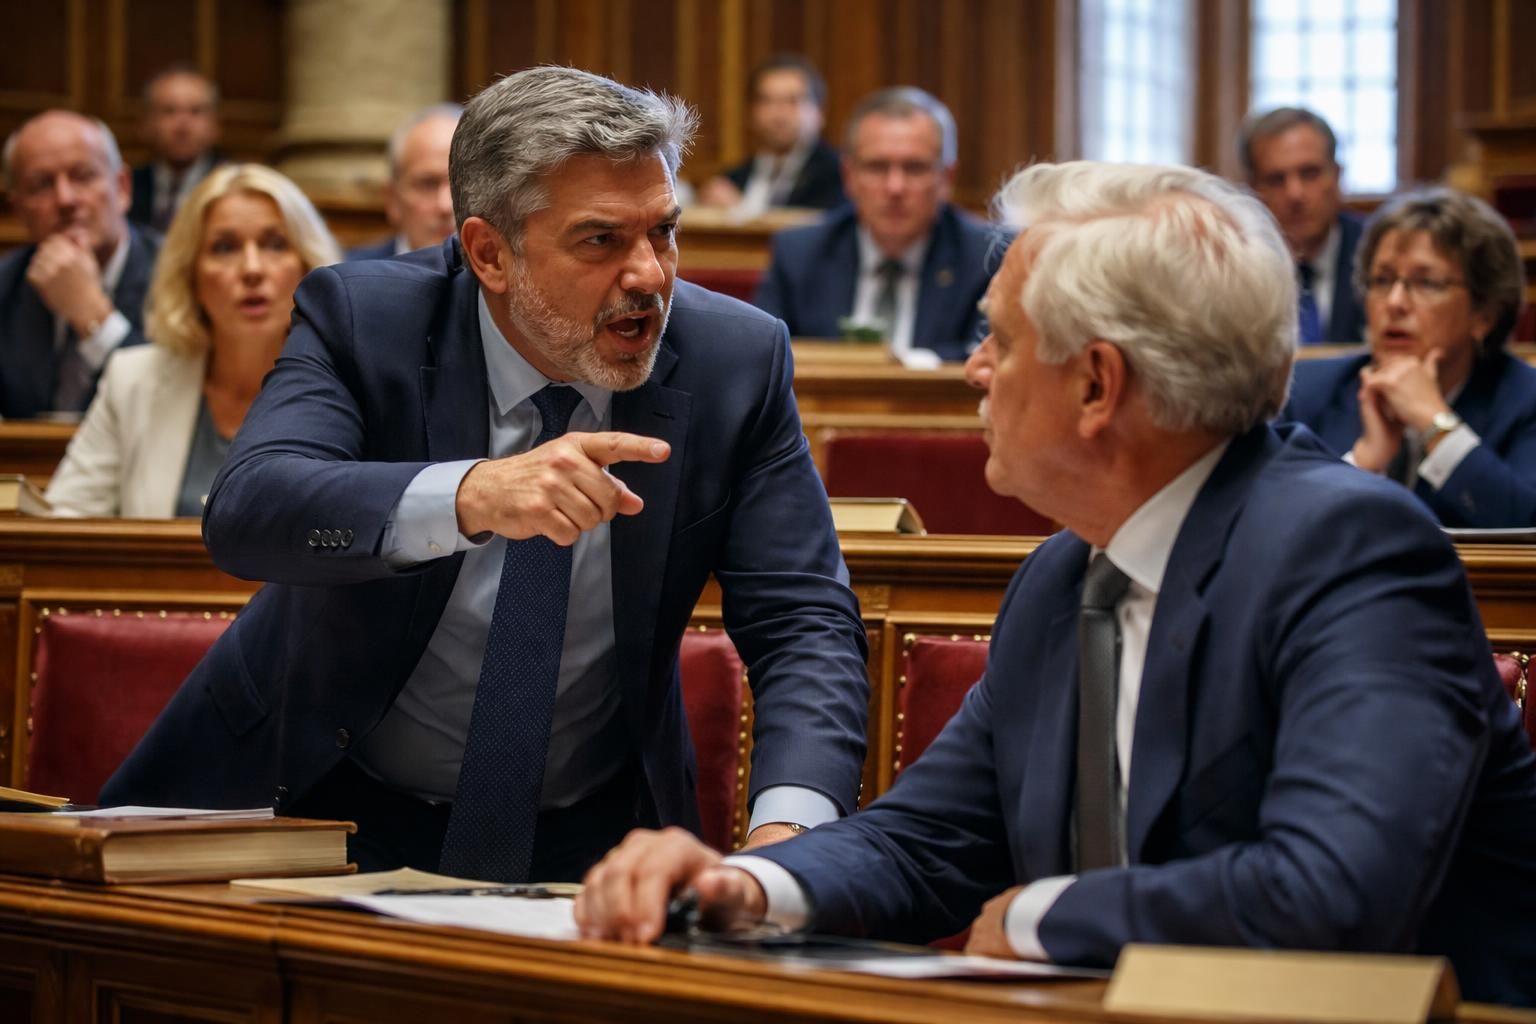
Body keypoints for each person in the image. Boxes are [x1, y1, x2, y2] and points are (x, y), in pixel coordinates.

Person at [575, 161, 1536, 1009]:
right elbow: (924, 841)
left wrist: (1042, 914)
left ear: (1096, 386)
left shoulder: (1355, 553)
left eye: (998, 336)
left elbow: (1329, 895)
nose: (974, 370)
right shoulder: (1065, 571)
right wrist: (747, 887)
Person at [101, 67, 870, 886]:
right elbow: (250, 508)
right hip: (317, 799)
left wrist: (791, 829)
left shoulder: (733, 362)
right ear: (489, 253)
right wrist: (468, 494)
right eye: (601, 240)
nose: (649, 274)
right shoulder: (368, 321)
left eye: (664, 231)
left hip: (597, 833)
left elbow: (805, 622)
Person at [45, 164, 340, 518]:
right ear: (191, 274)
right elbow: (65, 521)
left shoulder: (348, 386)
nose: (252, 269)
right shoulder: (133, 380)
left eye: (274, 244)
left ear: (308, 266)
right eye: (225, 247)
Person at [1284, 188, 1532, 528]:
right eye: (1382, 280)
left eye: (1427, 283)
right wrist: (1363, 463)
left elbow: (1525, 523)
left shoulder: (1525, 401)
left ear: (1484, 314)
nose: (1395, 302)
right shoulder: (1306, 393)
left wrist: (1436, 424)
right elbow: (1273, 526)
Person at [752, 87, 998, 363]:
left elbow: (989, 359)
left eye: (915, 168)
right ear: (849, 176)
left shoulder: (987, 257)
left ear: (946, 178)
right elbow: (763, 358)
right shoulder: (800, 253)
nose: (895, 187)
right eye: (877, 167)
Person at [0, 111, 159, 418]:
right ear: (17, 209)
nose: (65, 199)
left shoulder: (176, 275)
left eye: (83, 176)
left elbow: (171, 405)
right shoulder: (5, 285)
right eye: (41, 184)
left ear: (123, 188)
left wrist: (93, 317)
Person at [1239, 106, 1365, 344]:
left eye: (1309, 174)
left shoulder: (1377, 253)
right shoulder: (1235, 268)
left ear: (1337, 177)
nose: (1294, 194)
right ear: (1253, 189)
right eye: (1276, 179)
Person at [696, 55, 844, 215]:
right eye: (766, 101)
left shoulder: (840, 176)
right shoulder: (733, 179)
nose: (778, 114)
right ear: (750, 112)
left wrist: (740, 211)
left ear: (819, 112)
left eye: (792, 101)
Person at [347, 104, 462, 261]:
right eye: (428, 184)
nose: (446, 206)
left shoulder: (504, 278)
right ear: (392, 199)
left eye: (460, 184)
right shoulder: (350, 278)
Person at [128, 67, 223, 233]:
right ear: (147, 123)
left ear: (215, 124)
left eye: (196, 111)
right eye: (169, 111)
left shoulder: (231, 187)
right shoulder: (127, 188)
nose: (182, 125)